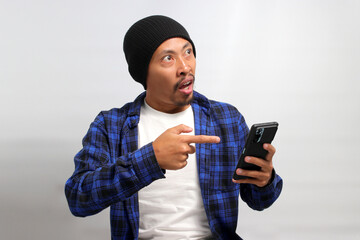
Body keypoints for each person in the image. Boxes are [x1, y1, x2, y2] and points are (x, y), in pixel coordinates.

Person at [65, 15, 283, 240]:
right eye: (168, 58)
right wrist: (151, 159)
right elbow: (78, 199)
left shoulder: (226, 119)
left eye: (188, 52)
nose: (185, 67)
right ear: (143, 73)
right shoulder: (111, 125)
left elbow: (260, 201)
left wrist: (265, 180)